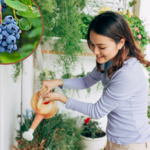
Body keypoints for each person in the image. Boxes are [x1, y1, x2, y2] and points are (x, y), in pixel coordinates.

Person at [38, 11, 150, 150]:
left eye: (101, 47)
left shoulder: (128, 74)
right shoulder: (110, 60)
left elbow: (97, 111)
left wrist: (61, 98)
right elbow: (86, 82)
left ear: (120, 42)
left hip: (131, 143)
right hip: (117, 140)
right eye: (92, 44)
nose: (95, 52)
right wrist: (58, 82)